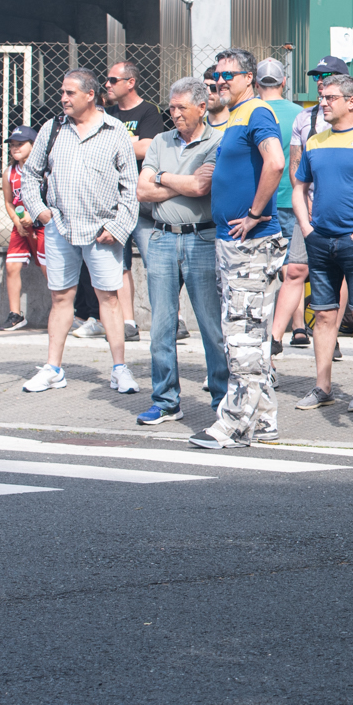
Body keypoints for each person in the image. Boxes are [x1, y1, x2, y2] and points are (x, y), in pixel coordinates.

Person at [180, 49, 288, 447]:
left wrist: (255, 214)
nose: (220, 81)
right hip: (237, 246)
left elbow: (275, 162)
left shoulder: (257, 112)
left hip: (250, 245)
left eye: (229, 75)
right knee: (250, 335)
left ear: (249, 78)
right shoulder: (237, 116)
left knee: (241, 337)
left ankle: (235, 424)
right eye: (216, 75)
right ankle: (264, 419)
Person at [18, 68, 141, 398]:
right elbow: (30, 175)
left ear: (90, 95)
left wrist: (117, 226)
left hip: (103, 231)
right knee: (61, 298)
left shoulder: (115, 131)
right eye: (62, 92)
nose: (63, 98)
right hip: (60, 228)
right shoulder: (53, 128)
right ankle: (53, 368)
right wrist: (40, 212)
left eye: (70, 92)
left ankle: (119, 369)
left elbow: (130, 187)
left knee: (109, 299)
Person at [292, 73, 353, 413]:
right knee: (323, 315)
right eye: (322, 97)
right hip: (320, 240)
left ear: (351, 102)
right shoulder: (315, 142)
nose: (323, 102)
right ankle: (323, 386)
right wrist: (307, 228)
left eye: (330, 97)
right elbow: (299, 187)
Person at [135, 76, 224, 427]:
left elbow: (203, 187)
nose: (175, 114)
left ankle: (222, 399)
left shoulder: (217, 141)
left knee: (210, 325)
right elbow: (142, 191)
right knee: (161, 326)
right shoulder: (160, 140)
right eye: (171, 108)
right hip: (161, 238)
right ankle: (166, 400)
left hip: (202, 238)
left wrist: (163, 177)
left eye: (181, 108)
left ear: (202, 107)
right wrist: (182, 182)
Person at [248, 59, 312, 354]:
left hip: (260, 200)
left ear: (256, 83)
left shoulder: (252, 112)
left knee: (263, 268)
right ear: (284, 82)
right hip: (294, 198)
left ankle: (264, 328)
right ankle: (298, 327)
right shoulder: (300, 113)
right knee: (294, 267)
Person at [101, 60, 162, 349]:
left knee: (156, 262)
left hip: (142, 199)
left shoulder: (149, 111)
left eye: (113, 80)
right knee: (119, 263)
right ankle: (128, 322)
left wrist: (113, 147)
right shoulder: (106, 114)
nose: (107, 85)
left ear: (130, 82)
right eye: (107, 80)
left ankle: (169, 319)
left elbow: (149, 146)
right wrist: (130, 144)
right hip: (113, 202)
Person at [1, 127, 42, 333]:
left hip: (41, 224)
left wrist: (34, 215)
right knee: (12, 267)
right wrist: (17, 221)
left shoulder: (43, 169)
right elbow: (9, 202)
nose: (15, 148)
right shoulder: (9, 172)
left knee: (49, 268)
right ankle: (15, 314)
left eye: (20, 144)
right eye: (13, 145)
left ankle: (64, 311)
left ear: (33, 145)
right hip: (20, 226)